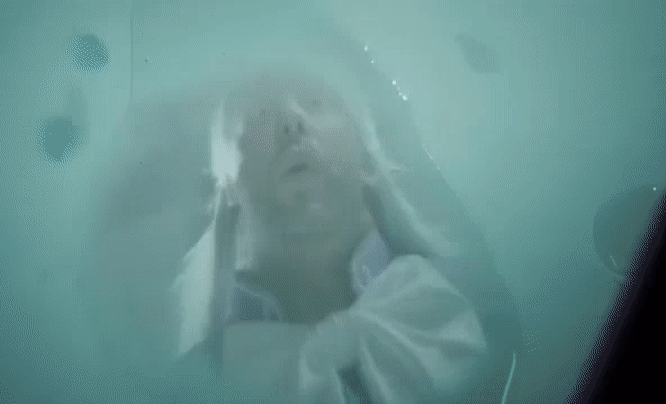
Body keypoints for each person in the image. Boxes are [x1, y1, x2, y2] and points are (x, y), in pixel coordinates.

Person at [170, 67, 521, 403]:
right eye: (260, 113)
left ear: (369, 160)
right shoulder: (194, 383)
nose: (292, 123)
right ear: (226, 184)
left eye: (315, 102)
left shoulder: (470, 308)